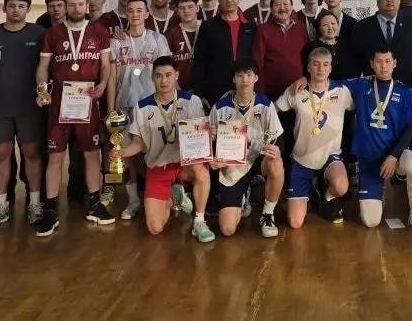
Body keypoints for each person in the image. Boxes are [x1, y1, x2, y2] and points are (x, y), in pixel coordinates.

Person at [33, 0, 114, 236]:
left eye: (81, 4)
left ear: (87, 4)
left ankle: (95, 204)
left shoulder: (99, 31)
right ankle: (50, 209)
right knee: (55, 156)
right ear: (65, 7)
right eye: (72, 5)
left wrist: (103, 84)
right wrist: (42, 90)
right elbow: (43, 67)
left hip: (87, 101)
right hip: (60, 102)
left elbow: (106, 65)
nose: (77, 8)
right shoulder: (53, 33)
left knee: (92, 154)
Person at [119, 57, 215, 239]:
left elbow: (199, 138)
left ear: (176, 75)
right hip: (159, 166)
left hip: (185, 165)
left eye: (168, 75)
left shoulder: (192, 101)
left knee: (200, 168)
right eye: (158, 76)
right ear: (152, 78)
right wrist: (122, 152)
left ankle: (199, 221)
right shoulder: (142, 106)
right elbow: (139, 143)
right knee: (155, 228)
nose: (163, 81)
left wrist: (210, 133)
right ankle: (173, 197)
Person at [0, 0, 46, 229]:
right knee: (1, 154)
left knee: (31, 153)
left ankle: (35, 203)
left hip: (29, 106)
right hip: (0, 106)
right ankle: (0, 206)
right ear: (4, 8)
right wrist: (1, 91)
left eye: (21, 6)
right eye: (11, 5)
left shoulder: (39, 33)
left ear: (28, 9)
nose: (15, 10)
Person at [346, 48, 412, 233]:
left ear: (394, 63)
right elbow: (331, 84)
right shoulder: (362, 85)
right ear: (372, 64)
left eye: (387, 61)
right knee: (371, 221)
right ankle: (379, 190)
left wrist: (394, 156)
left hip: (396, 155)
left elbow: (410, 128)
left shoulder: (404, 92)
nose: (383, 66)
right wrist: (305, 79)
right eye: (379, 61)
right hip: (369, 159)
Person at [276, 47, 354, 227]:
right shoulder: (296, 90)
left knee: (341, 186)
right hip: (301, 160)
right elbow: (273, 110)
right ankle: (312, 192)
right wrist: (273, 139)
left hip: (330, 158)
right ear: (308, 67)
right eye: (316, 64)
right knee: (295, 223)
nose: (321, 69)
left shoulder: (342, 91)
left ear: (331, 68)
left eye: (325, 65)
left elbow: (365, 96)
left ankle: (327, 198)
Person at [108, 0, 170, 219]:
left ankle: (160, 197)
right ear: (126, 13)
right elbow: (112, 77)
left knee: (155, 153)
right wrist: (111, 109)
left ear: (146, 13)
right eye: (131, 10)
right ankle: (133, 200)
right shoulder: (116, 41)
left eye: (139, 10)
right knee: (127, 156)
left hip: (152, 105)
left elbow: (167, 74)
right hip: (125, 105)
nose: (135, 14)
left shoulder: (157, 39)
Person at [210, 61, 285, 238]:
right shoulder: (220, 107)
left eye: (249, 75)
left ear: (256, 78)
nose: (244, 80)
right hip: (233, 164)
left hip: (259, 160)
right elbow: (209, 141)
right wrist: (212, 155)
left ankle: (267, 215)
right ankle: (244, 197)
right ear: (233, 79)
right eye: (240, 75)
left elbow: (278, 139)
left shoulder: (265, 104)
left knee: (276, 163)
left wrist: (277, 151)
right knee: (227, 229)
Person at [351, 0, 412, 87]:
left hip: (410, 85)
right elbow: (356, 58)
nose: (389, 0)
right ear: (377, 2)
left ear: (399, 1)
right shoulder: (362, 26)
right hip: (374, 86)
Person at [192, 0, 256, 107]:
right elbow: (200, 60)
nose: (229, 0)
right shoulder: (208, 26)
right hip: (216, 89)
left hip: (245, 86)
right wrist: (199, 93)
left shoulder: (250, 25)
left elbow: (255, 58)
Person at [254, 0, 309, 99]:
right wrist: (260, 92)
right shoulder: (263, 29)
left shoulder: (301, 28)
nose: (282, 8)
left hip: (299, 89)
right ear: (271, 9)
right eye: (277, 5)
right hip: (271, 91)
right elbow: (258, 62)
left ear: (292, 7)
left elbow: (308, 58)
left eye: (285, 4)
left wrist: (307, 78)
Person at [166, 0, 201, 90]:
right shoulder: (169, 35)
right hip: (179, 90)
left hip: (206, 91)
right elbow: (167, 66)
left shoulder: (208, 29)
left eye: (190, 7)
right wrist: (179, 92)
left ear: (197, 8)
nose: (186, 11)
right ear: (176, 11)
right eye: (182, 8)